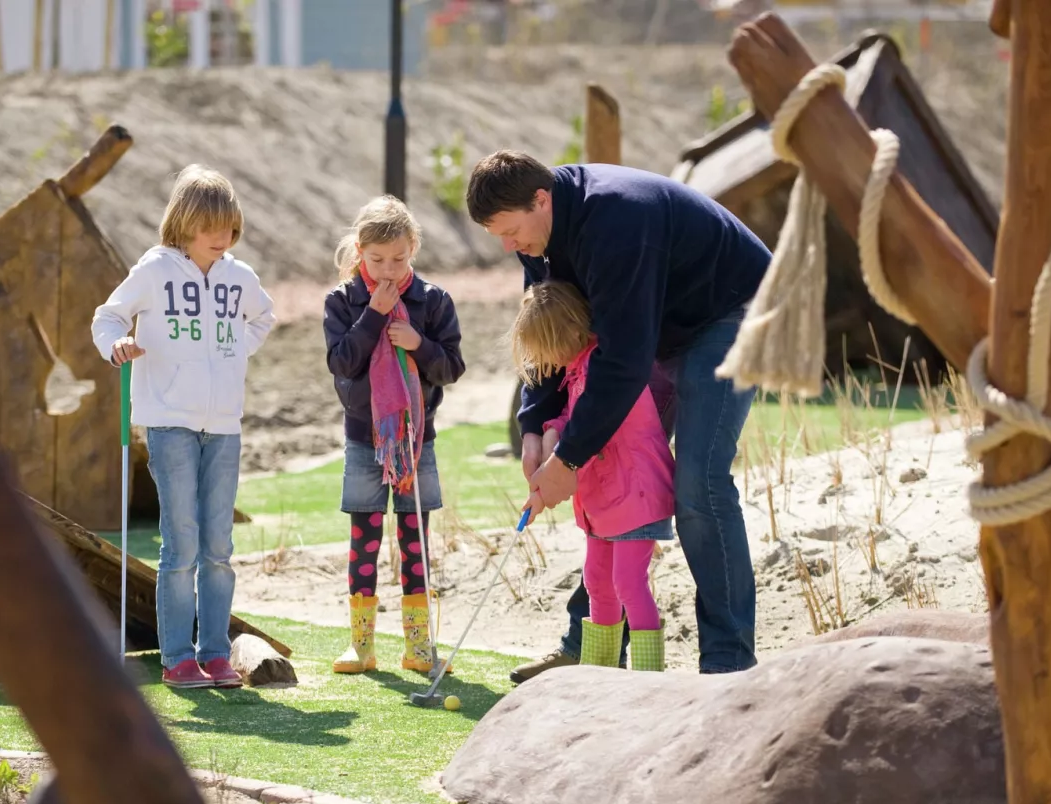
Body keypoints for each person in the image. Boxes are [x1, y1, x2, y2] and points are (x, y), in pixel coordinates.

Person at [467, 150, 770, 679]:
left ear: (541, 199)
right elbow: (551, 332)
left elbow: (624, 360)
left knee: (699, 483)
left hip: (731, 312)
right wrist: (536, 423)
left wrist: (568, 459)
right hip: (655, 325)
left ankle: (728, 663)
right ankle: (588, 646)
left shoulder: (617, 219)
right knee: (609, 474)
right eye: (499, 235)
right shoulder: (535, 233)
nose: (508, 246)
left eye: (510, 231)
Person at [91, 165, 275, 689]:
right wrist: (117, 345)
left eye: (231, 229)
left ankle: (215, 654)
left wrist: (236, 349)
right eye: (212, 229)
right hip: (169, 424)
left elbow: (263, 318)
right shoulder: (153, 271)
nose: (224, 239)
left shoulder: (239, 277)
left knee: (219, 546)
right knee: (182, 545)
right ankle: (177, 658)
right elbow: (107, 318)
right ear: (184, 223)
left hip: (224, 427)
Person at [323, 196, 465, 675]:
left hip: (416, 444)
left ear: (414, 249)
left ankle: (419, 646)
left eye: (399, 259)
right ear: (360, 251)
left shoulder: (434, 301)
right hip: (366, 441)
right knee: (363, 539)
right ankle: (361, 647)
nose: (388, 269)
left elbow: (451, 367)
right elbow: (342, 365)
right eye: (377, 259)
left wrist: (419, 343)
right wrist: (375, 317)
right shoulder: (342, 301)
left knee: (415, 542)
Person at [513, 280, 673, 671]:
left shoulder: (604, 369)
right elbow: (573, 419)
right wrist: (551, 426)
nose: (543, 361)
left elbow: (595, 432)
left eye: (542, 350)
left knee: (628, 584)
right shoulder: (576, 373)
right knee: (597, 582)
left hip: (636, 495)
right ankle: (598, 673)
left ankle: (649, 676)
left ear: (564, 336)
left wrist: (548, 483)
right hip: (603, 501)